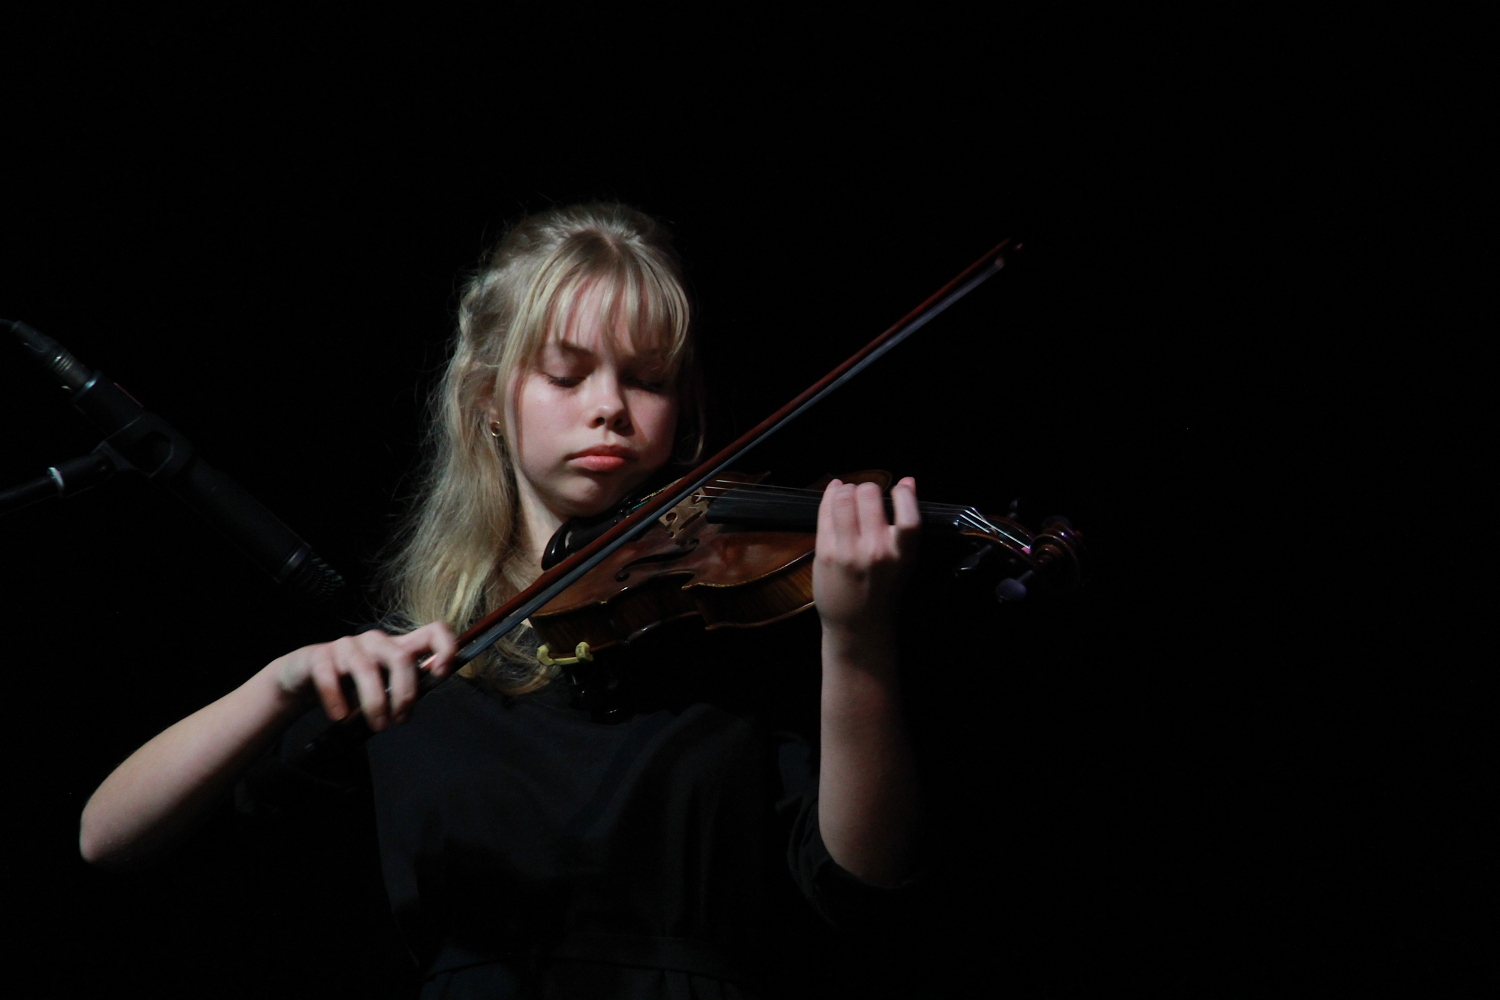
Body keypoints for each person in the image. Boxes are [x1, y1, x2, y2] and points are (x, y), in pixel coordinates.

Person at [79, 203, 925, 998]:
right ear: (488, 399)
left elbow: (862, 887)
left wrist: (856, 641)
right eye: (567, 374)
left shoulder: (730, 632)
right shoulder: (414, 667)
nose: (609, 407)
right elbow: (109, 840)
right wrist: (282, 682)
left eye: (647, 379)